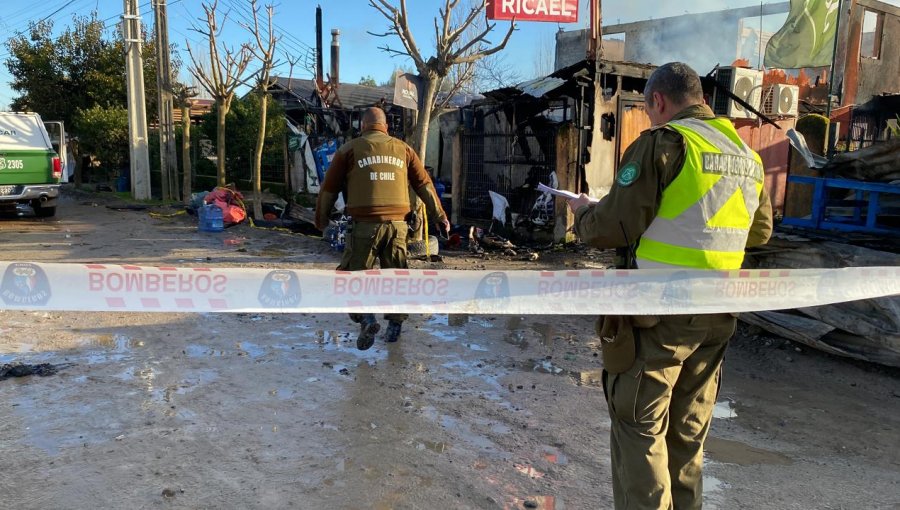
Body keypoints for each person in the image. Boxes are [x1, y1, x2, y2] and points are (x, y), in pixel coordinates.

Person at [567, 62, 773, 510]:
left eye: (647, 107)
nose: (649, 116)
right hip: (718, 316)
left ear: (658, 101)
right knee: (687, 434)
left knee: (639, 424)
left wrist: (585, 212)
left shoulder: (664, 143)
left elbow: (614, 226)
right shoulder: (746, 153)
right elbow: (758, 234)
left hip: (659, 314)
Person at [315, 107, 450, 350]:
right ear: (385, 126)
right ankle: (394, 329)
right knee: (397, 278)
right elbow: (424, 184)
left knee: (354, 277)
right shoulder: (404, 149)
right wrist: (440, 216)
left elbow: (329, 188)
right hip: (398, 227)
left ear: (363, 126)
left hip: (364, 226)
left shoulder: (348, 149)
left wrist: (321, 220)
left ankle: (366, 319)